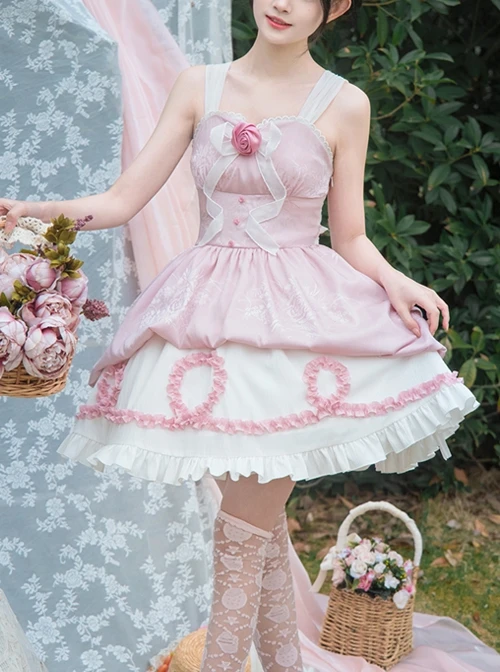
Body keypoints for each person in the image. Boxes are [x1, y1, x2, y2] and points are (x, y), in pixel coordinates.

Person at [0, 0, 479, 669]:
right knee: (254, 513)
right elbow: (121, 200)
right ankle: (282, 663)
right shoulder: (199, 86)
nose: (281, 4)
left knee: (245, 520)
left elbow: (351, 236)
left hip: (296, 322)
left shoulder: (346, 104)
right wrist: (32, 213)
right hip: (207, 315)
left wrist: (396, 281)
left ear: (334, 7)